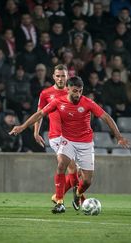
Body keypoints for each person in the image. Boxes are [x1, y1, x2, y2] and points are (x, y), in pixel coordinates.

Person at [10, 76, 129, 214]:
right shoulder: (57, 101)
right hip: (68, 140)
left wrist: (119, 136)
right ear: (67, 89)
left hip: (85, 143)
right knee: (61, 164)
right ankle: (59, 201)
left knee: (87, 182)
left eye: (80, 91)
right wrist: (22, 127)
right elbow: (40, 114)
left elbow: (106, 117)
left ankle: (78, 194)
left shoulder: (87, 102)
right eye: (75, 91)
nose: (78, 94)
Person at [34, 64, 84, 206]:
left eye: (63, 76)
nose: (61, 79)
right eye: (58, 76)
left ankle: (58, 196)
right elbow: (39, 114)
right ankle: (78, 197)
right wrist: (36, 132)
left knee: (77, 171)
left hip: (73, 136)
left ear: (67, 76)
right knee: (72, 167)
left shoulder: (73, 92)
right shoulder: (46, 94)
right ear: (53, 77)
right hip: (57, 136)